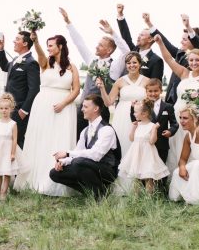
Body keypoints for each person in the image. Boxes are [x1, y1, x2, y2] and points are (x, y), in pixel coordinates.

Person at [13, 33, 80, 196]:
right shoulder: (45, 63)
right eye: (47, 45)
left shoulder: (72, 66)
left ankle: (57, 181)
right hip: (43, 105)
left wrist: (64, 103)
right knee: (41, 139)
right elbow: (41, 54)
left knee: (59, 139)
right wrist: (35, 41)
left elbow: (76, 89)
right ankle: (35, 181)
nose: (49, 48)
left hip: (64, 107)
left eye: (51, 45)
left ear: (61, 47)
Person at [58, 7, 129, 138]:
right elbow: (79, 43)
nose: (97, 46)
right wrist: (68, 23)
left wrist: (113, 32)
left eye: (101, 45)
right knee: (78, 138)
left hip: (101, 111)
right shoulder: (91, 60)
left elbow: (126, 52)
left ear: (109, 50)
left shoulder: (114, 66)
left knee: (98, 141)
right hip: (83, 110)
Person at [154, 34, 199, 174]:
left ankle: (194, 176)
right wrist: (160, 43)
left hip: (194, 121)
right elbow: (169, 59)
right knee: (175, 147)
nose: (194, 63)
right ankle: (174, 177)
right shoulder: (183, 73)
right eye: (191, 60)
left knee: (192, 149)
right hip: (177, 117)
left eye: (197, 60)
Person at [50, 94, 121, 200]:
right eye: (82, 106)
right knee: (54, 173)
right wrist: (63, 162)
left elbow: (96, 155)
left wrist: (67, 153)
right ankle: (95, 192)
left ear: (96, 109)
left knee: (79, 162)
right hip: (89, 166)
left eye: (86, 107)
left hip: (108, 170)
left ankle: (99, 196)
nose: (82, 109)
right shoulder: (85, 131)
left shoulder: (107, 130)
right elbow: (78, 151)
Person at [97, 52, 149, 195]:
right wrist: (102, 88)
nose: (131, 65)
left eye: (134, 62)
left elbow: (151, 101)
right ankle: (120, 186)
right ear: (126, 65)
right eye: (129, 63)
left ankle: (137, 187)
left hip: (139, 117)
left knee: (137, 147)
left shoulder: (146, 81)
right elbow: (108, 102)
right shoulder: (120, 81)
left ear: (140, 64)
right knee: (122, 146)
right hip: (121, 117)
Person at [145, 13, 199, 105]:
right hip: (170, 101)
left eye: (185, 39)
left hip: (188, 103)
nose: (181, 41)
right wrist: (149, 24)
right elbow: (165, 42)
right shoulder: (180, 54)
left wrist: (188, 27)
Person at [0, 31, 41, 148]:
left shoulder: (31, 63)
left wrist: (24, 110)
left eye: (17, 39)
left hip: (19, 110)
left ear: (25, 43)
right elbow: (5, 67)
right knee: (6, 140)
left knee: (16, 142)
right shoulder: (16, 58)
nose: (14, 41)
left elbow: (34, 89)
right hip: (8, 109)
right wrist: (1, 50)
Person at [119, 100, 170, 193]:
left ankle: (148, 198)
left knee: (148, 178)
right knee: (136, 177)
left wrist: (154, 129)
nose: (134, 114)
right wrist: (133, 128)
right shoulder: (137, 125)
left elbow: (152, 141)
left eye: (135, 112)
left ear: (144, 114)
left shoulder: (152, 126)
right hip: (136, 155)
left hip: (147, 155)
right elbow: (131, 138)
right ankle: (136, 198)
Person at [116, 4, 164, 81]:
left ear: (150, 39)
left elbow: (155, 84)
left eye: (141, 35)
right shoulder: (132, 51)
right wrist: (120, 15)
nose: (138, 37)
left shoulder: (156, 60)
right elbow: (126, 37)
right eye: (139, 34)